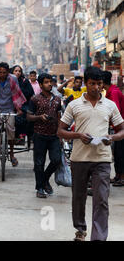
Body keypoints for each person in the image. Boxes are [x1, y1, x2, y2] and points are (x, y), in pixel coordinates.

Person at [58, 66, 124, 241]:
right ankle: (80, 230)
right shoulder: (74, 105)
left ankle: (99, 237)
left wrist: (112, 137)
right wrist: (78, 135)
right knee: (78, 198)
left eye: (99, 84)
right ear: (86, 84)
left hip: (102, 159)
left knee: (101, 200)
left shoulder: (110, 106)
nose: (96, 87)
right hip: (79, 159)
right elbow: (61, 131)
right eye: (92, 83)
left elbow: (122, 130)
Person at [27, 73, 62, 198]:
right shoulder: (35, 99)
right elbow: (29, 116)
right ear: (41, 85)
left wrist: (61, 134)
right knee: (39, 163)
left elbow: (59, 117)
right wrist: (39, 117)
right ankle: (40, 188)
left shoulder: (57, 99)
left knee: (56, 160)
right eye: (46, 82)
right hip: (39, 134)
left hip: (54, 135)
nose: (49, 84)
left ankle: (45, 179)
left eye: (50, 82)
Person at [0, 62, 27, 167]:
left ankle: (12, 154)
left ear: (8, 72)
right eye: (0, 72)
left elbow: (17, 93)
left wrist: (18, 109)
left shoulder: (13, 79)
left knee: (10, 131)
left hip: (10, 107)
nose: (2, 75)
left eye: (4, 72)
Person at [102, 70, 124, 186]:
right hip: (117, 128)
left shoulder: (113, 92)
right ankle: (117, 176)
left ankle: (122, 177)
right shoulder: (111, 91)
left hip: (121, 128)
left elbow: (116, 112)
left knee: (120, 153)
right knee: (117, 152)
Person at [11, 65, 35, 142]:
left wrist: (20, 91)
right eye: (16, 71)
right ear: (12, 72)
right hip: (10, 105)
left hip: (23, 104)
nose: (17, 73)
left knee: (24, 115)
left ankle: (22, 135)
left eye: (19, 71)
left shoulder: (25, 81)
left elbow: (31, 93)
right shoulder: (8, 81)